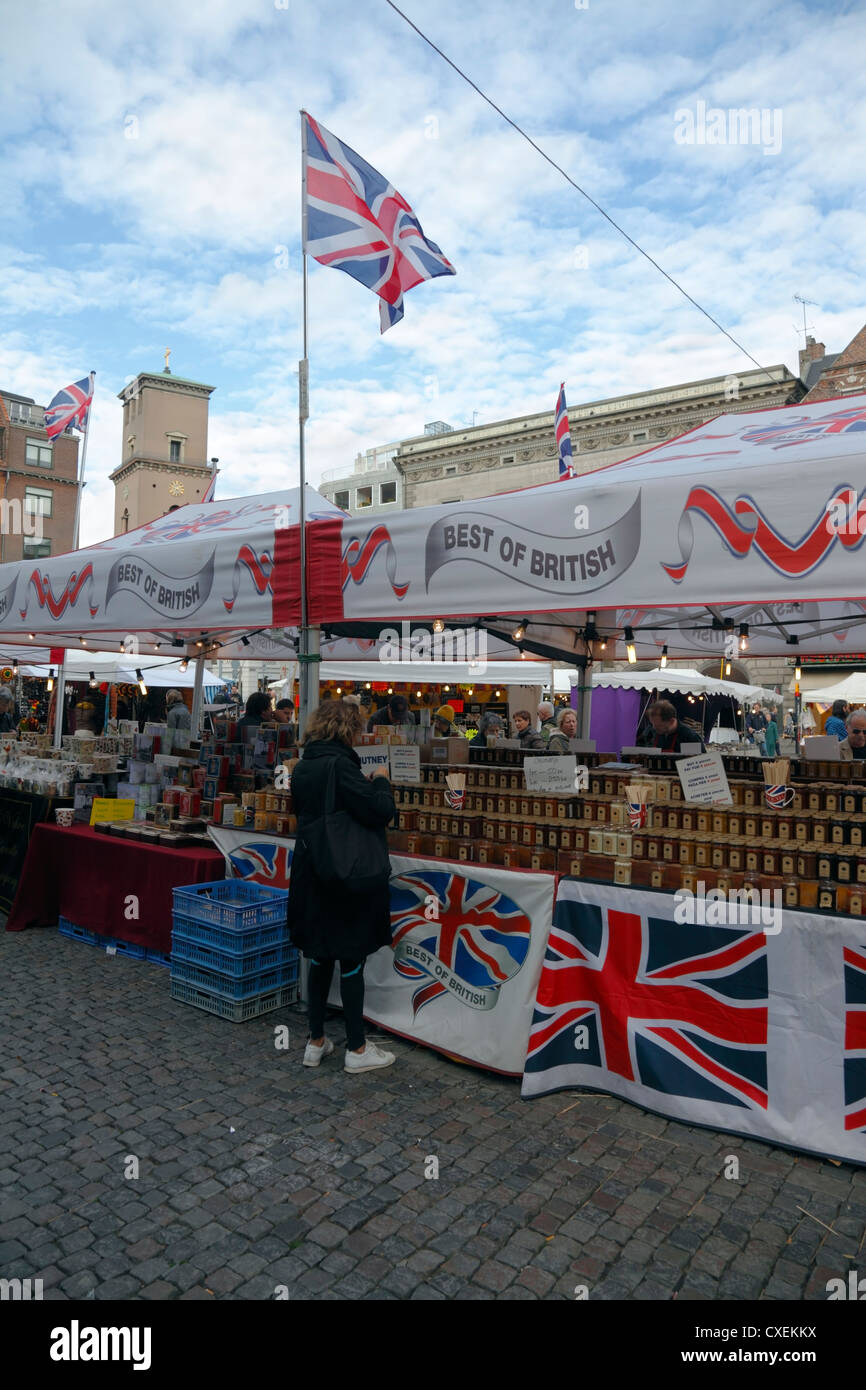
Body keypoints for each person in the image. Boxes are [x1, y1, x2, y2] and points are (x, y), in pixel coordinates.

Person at [288, 699, 397, 1074]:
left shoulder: (303, 766)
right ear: (348, 730)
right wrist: (381, 778)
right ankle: (357, 1047)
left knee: (319, 955)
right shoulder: (341, 765)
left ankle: (315, 1042)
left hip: (311, 871)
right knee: (351, 957)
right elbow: (380, 810)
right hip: (344, 874)